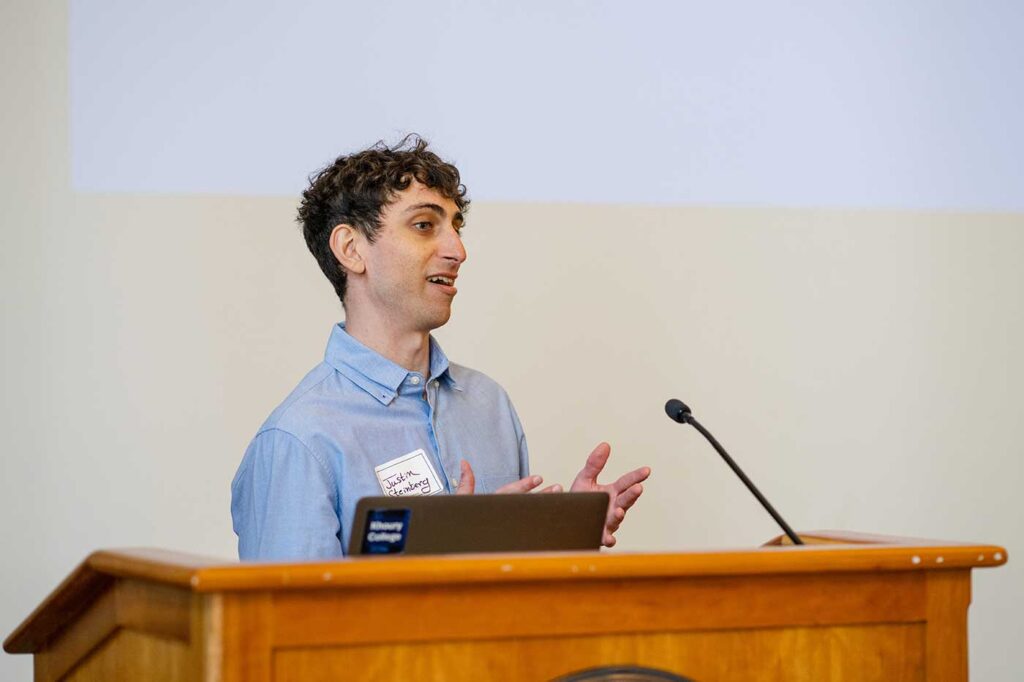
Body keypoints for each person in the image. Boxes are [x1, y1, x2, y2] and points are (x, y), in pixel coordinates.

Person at [231, 136, 650, 560]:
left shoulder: (489, 405)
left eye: (456, 228)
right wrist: (448, 555)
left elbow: (510, 589)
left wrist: (563, 537)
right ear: (351, 249)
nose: (458, 251)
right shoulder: (297, 440)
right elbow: (286, 623)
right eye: (425, 225)